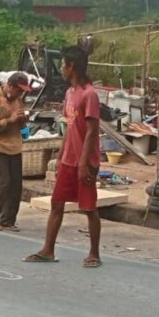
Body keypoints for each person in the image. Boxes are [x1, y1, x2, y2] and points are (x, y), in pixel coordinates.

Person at [25, 45, 102, 268]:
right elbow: (69, 128)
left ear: (72, 67)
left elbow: (91, 132)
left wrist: (85, 163)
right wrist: (60, 155)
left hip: (85, 161)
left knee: (88, 208)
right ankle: (48, 250)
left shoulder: (90, 95)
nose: (62, 69)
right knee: (57, 204)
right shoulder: (69, 93)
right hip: (68, 158)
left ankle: (94, 253)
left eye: (64, 65)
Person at [0, 72, 33, 231]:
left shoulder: (18, 100)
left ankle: (8, 220)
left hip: (15, 146)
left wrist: (22, 122)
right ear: (9, 86)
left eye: (22, 92)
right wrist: (9, 121)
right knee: (2, 182)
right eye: (18, 90)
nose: (20, 94)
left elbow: (20, 125)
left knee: (16, 185)